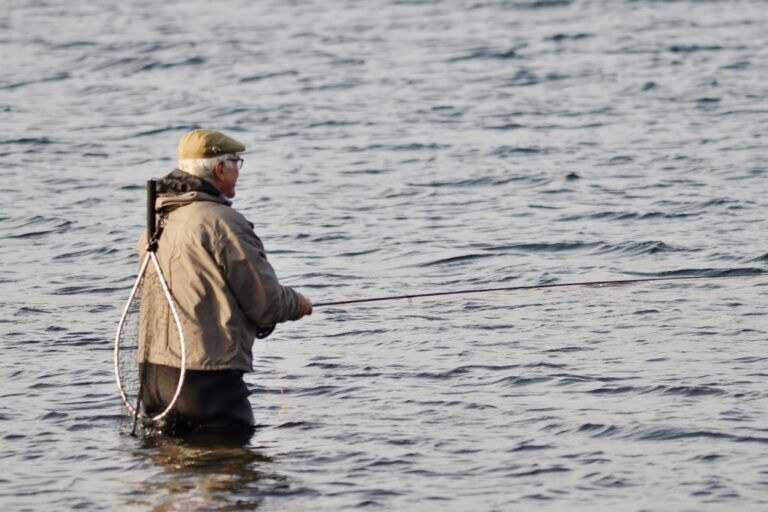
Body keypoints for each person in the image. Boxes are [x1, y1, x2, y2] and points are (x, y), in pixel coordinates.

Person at [137, 129, 312, 436]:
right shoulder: (222, 222)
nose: (238, 172)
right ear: (220, 169)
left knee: (170, 475)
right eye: (236, 163)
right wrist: (297, 304)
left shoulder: (157, 220)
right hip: (207, 382)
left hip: (154, 379)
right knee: (232, 476)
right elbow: (266, 303)